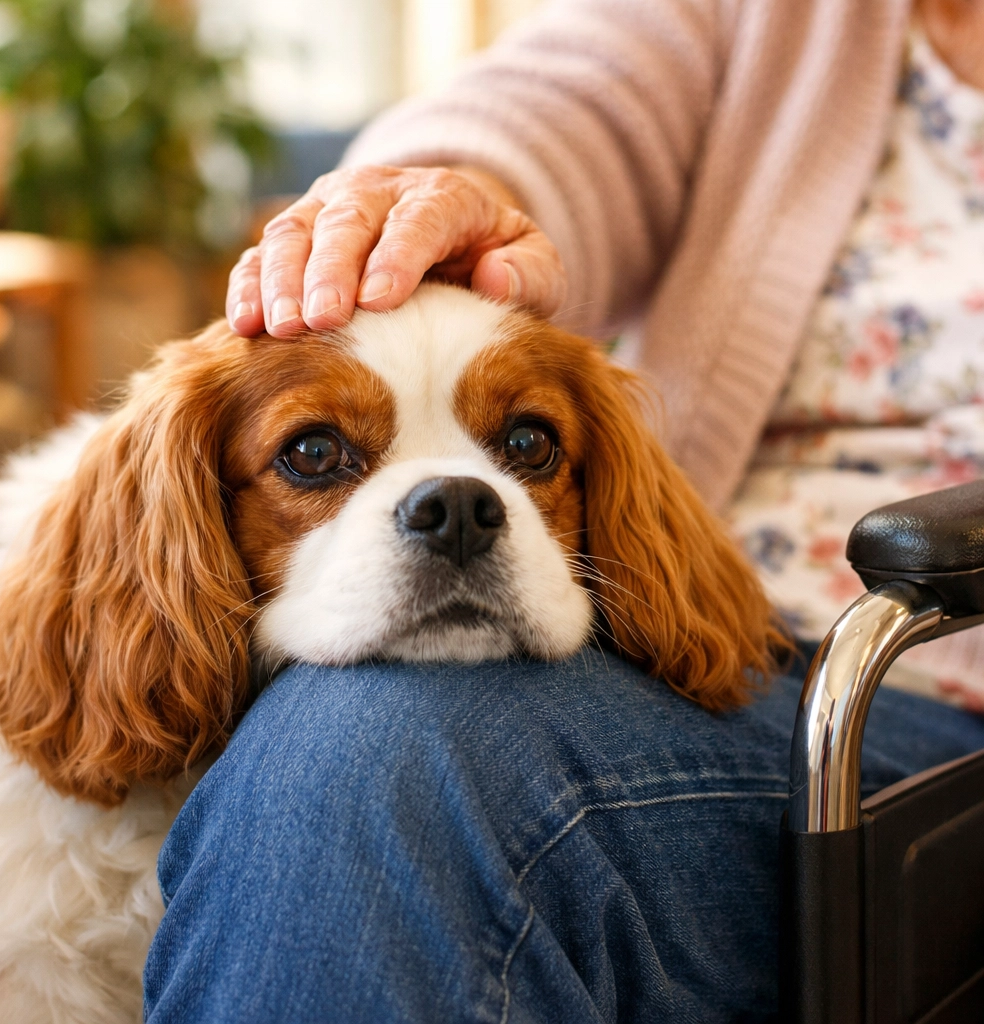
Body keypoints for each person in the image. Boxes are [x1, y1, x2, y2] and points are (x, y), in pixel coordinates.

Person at [143, 0, 984, 1020]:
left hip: (921, 706)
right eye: (315, 453)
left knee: (386, 763)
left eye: (526, 446)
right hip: (710, 646)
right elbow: (556, 110)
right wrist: (419, 211)